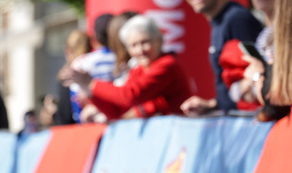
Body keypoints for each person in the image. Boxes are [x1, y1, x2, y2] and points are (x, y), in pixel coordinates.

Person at [59, 15, 193, 121]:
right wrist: (90, 91)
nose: (140, 50)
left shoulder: (167, 65)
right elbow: (117, 111)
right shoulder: (138, 70)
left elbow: (130, 95)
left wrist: (92, 84)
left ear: (158, 40)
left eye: (145, 42)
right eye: (134, 45)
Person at [178, 0, 264, 115]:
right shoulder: (221, 21)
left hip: (251, 127)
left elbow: (260, 76)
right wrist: (213, 104)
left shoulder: (237, 19)